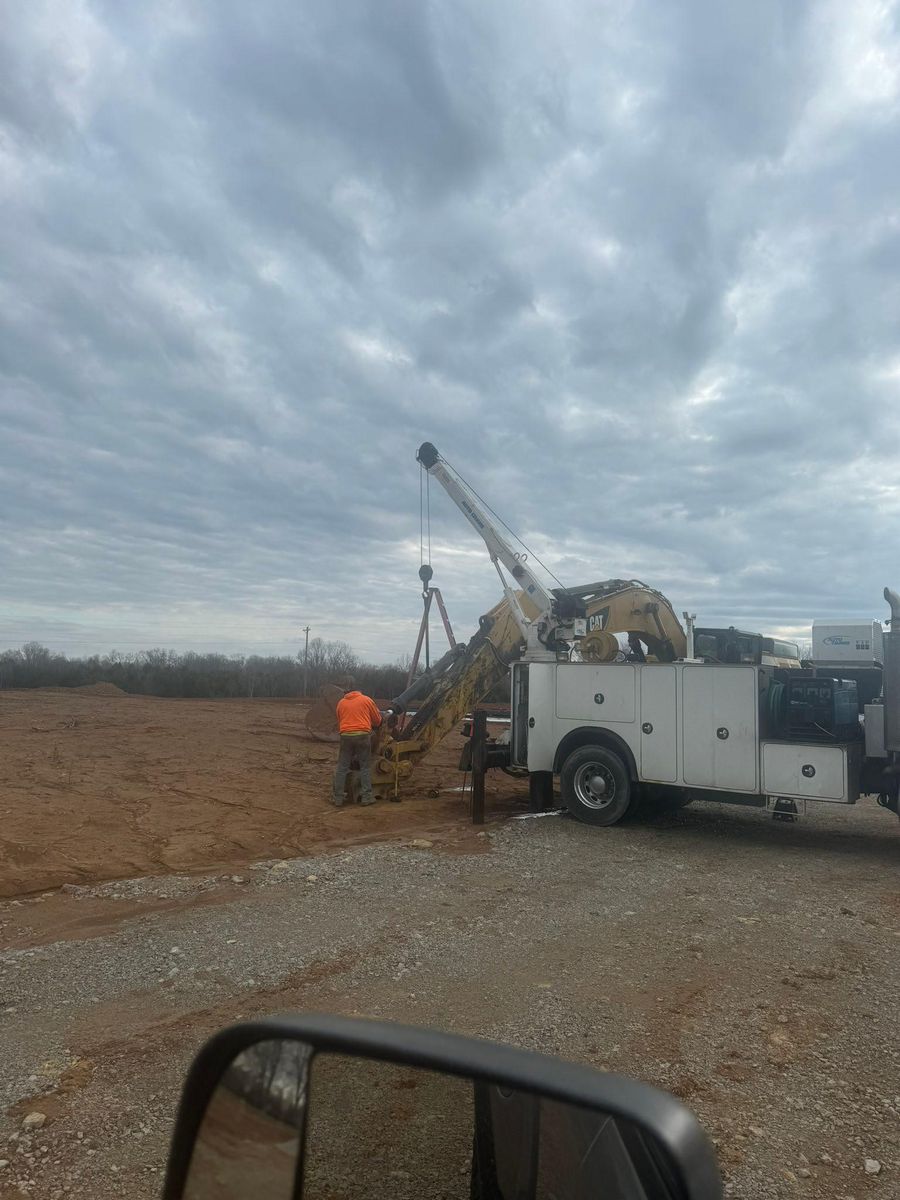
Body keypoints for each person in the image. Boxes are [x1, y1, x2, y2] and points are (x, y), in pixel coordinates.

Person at [331, 679, 382, 807]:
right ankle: (366, 797)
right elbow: (377, 720)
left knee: (342, 767)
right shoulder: (366, 700)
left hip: (346, 736)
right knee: (365, 766)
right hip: (362, 736)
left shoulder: (341, 703)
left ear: (347, 692)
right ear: (359, 691)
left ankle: (338, 798)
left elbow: (340, 719)